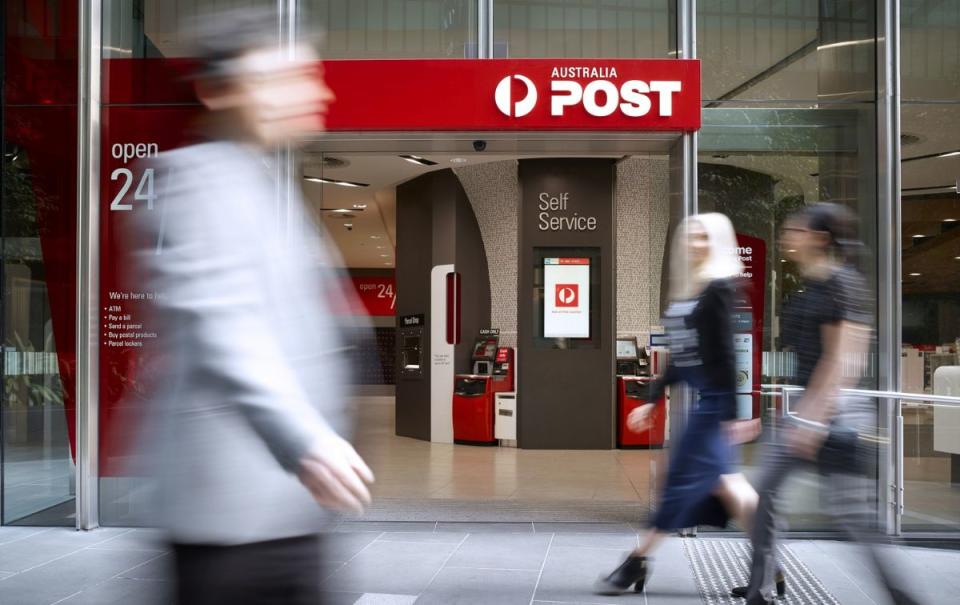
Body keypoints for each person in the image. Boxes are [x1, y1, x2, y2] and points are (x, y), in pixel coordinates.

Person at [133, 9, 374, 605]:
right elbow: (224, 324)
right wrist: (304, 439)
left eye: (309, 75)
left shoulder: (266, 182)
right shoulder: (195, 180)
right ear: (218, 91)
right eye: (281, 77)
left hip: (287, 504)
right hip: (229, 510)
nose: (313, 91)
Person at [736, 203, 923, 605]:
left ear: (820, 238)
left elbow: (842, 360)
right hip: (809, 411)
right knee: (767, 492)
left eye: (796, 230)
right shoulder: (812, 285)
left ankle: (902, 595)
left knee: (851, 516)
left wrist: (812, 422)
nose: (788, 236)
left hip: (830, 416)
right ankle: (761, 589)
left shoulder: (842, 284)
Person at [596, 213, 760, 595]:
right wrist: (653, 398)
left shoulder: (719, 288)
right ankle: (768, 567)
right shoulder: (694, 290)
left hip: (714, 406)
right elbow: (682, 357)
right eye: (691, 237)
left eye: (704, 238)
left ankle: (635, 563)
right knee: (726, 487)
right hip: (708, 403)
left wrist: (736, 414)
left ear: (718, 242)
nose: (694, 244)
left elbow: (725, 356)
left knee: (677, 483)